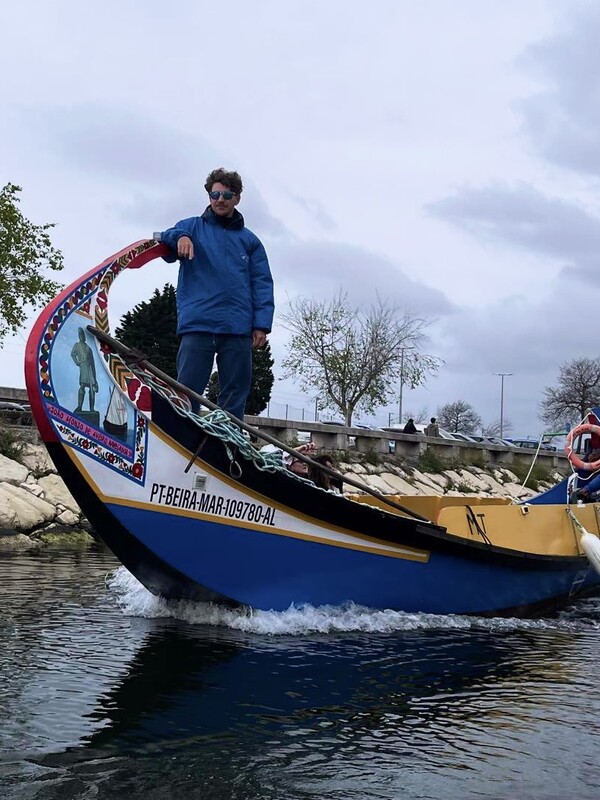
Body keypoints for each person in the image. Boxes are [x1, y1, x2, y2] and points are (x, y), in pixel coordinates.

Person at [160, 168, 274, 421]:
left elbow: (262, 283)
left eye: (227, 194)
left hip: (237, 327)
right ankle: (180, 441)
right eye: (215, 194)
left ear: (237, 198)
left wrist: (261, 325)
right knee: (186, 391)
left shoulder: (251, 242)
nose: (220, 199)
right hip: (198, 324)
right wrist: (181, 236)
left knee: (235, 395)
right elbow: (164, 238)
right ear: (209, 196)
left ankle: (228, 446)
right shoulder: (190, 227)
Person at [71, 327, 98, 412]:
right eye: (81, 335)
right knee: (82, 386)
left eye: (83, 335)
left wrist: (95, 377)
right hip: (83, 367)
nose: (82, 337)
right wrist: (77, 362)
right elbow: (72, 354)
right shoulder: (77, 345)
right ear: (79, 336)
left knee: (92, 388)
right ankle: (79, 406)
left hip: (90, 369)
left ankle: (92, 408)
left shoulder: (89, 348)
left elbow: (93, 363)